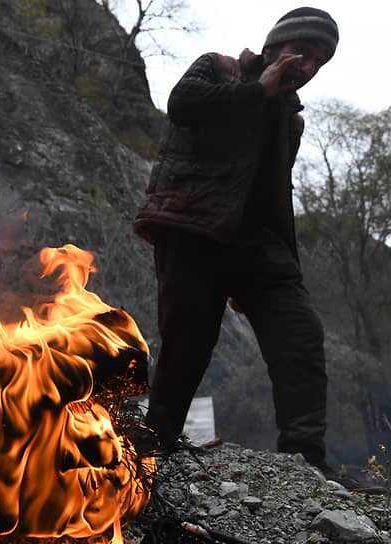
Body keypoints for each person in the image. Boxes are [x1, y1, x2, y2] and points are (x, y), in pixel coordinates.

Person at [131, 7, 366, 487]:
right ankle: (154, 453)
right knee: (187, 348)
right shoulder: (219, 68)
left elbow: (275, 194)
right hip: (193, 230)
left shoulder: (290, 122)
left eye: (319, 60)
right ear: (275, 46)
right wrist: (259, 90)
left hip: (259, 246)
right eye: (302, 51)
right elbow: (183, 104)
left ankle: (306, 464)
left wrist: (288, 262)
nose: (307, 65)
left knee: (300, 335)